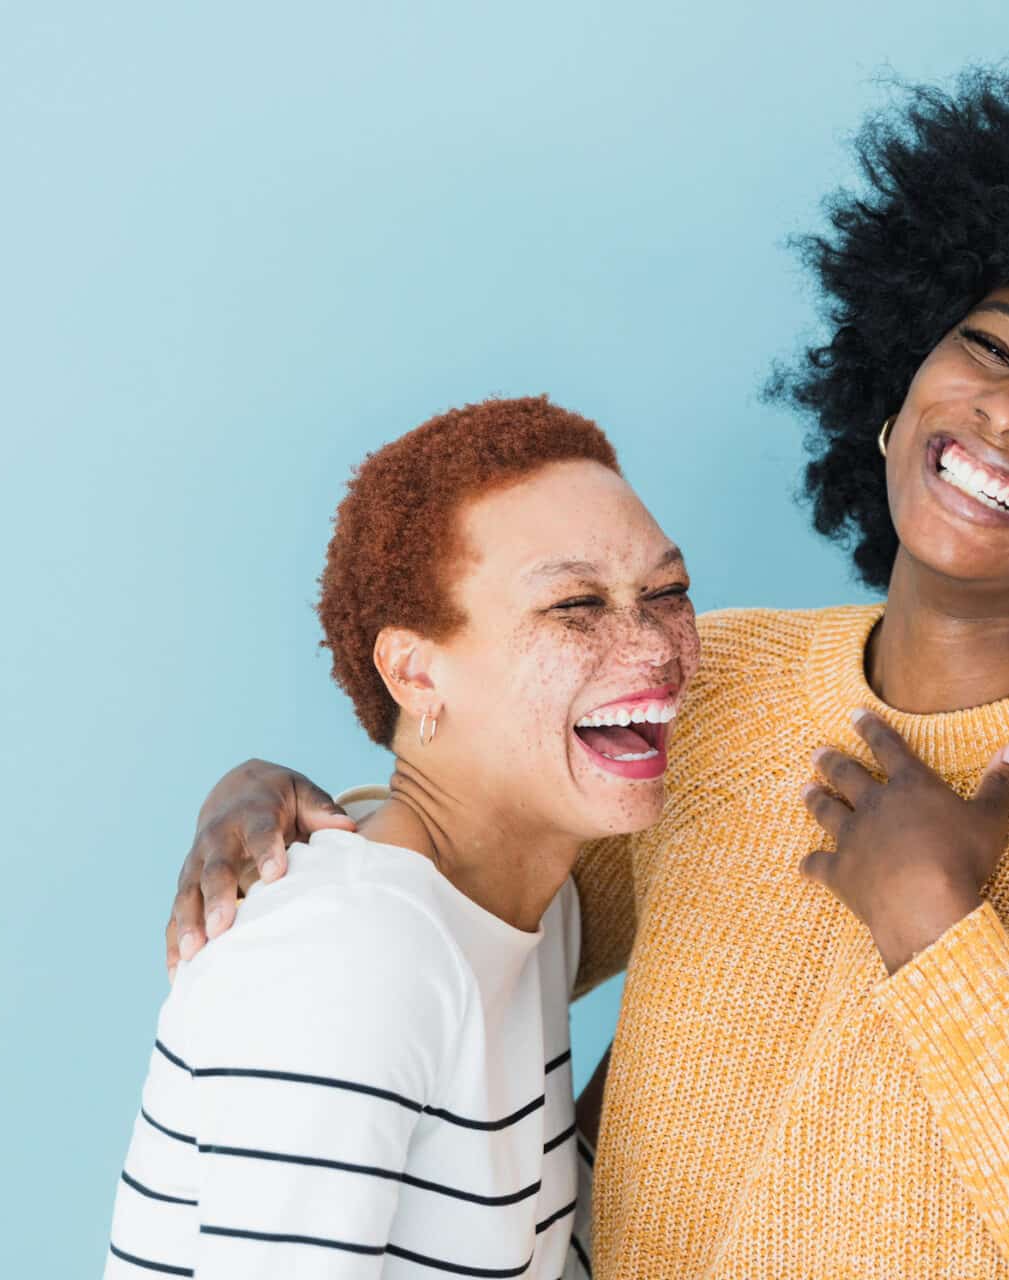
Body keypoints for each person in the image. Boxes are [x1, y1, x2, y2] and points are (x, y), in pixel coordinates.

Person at [162, 62, 1009, 1279]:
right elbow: (488, 922)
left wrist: (937, 930)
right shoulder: (715, 675)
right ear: (896, 390)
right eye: (989, 348)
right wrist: (314, 823)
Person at [105, 396, 701, 1278]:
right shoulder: (351, 957)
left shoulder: (528, 908)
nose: (652, 645)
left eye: (668, 592)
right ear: (415, 672)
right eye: (575, 604)